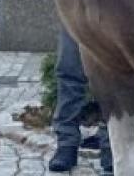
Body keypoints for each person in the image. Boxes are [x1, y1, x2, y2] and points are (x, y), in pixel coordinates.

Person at [47, 23, 114, 174]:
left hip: (113, 5)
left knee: (112, 73)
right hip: (75, 3)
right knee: (69, 66)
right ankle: (66, 144)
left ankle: (111, 147)